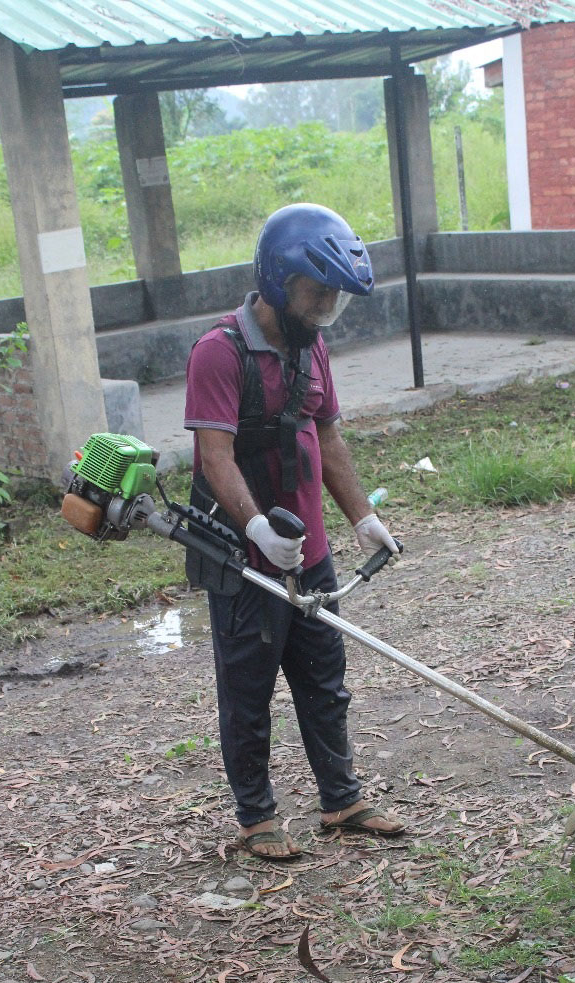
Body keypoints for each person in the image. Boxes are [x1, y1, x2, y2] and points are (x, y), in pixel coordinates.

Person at [183, 203, 405, 861]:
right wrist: (256, 527)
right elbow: (214, 457)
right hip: (243, 559)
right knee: (248, 692)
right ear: (279, 281)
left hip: (309, 552)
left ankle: (342, 800)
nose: (326, 307)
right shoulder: (218, 352)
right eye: (317, 293)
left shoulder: (312, 347)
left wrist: (362, 517)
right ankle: (256, 819)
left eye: (335, 296)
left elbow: (327, 437)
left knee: (323, 680)